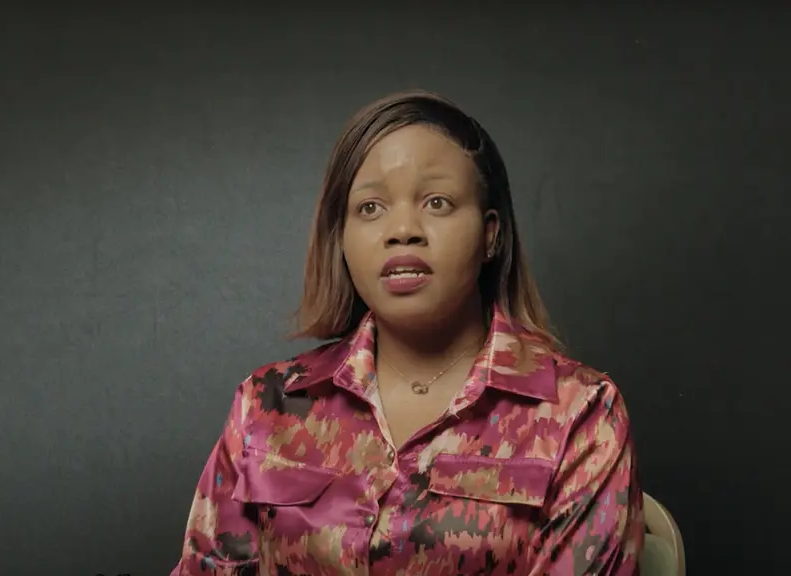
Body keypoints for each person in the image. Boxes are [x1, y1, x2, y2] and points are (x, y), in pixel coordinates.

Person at [170, 89, 644, 575]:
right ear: (343, 238)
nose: (402, 230)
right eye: (370, 208)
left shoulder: (579, 415)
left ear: (490, 235)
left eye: (436, 202)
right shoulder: (266, 405)